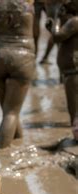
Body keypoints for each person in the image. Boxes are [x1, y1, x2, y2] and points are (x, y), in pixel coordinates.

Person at [0, 0, 36, 148]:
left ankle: (18, 143)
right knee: (11, 112)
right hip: (23, 57)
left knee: (9, 111)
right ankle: (3, 158)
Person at [44, 0, 78, 133]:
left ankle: (74, 132)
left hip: (73, 69)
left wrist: (56, 20)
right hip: (72, 68)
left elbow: (58, 37)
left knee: (73, 105)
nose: (63, 8)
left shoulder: (74, 21)